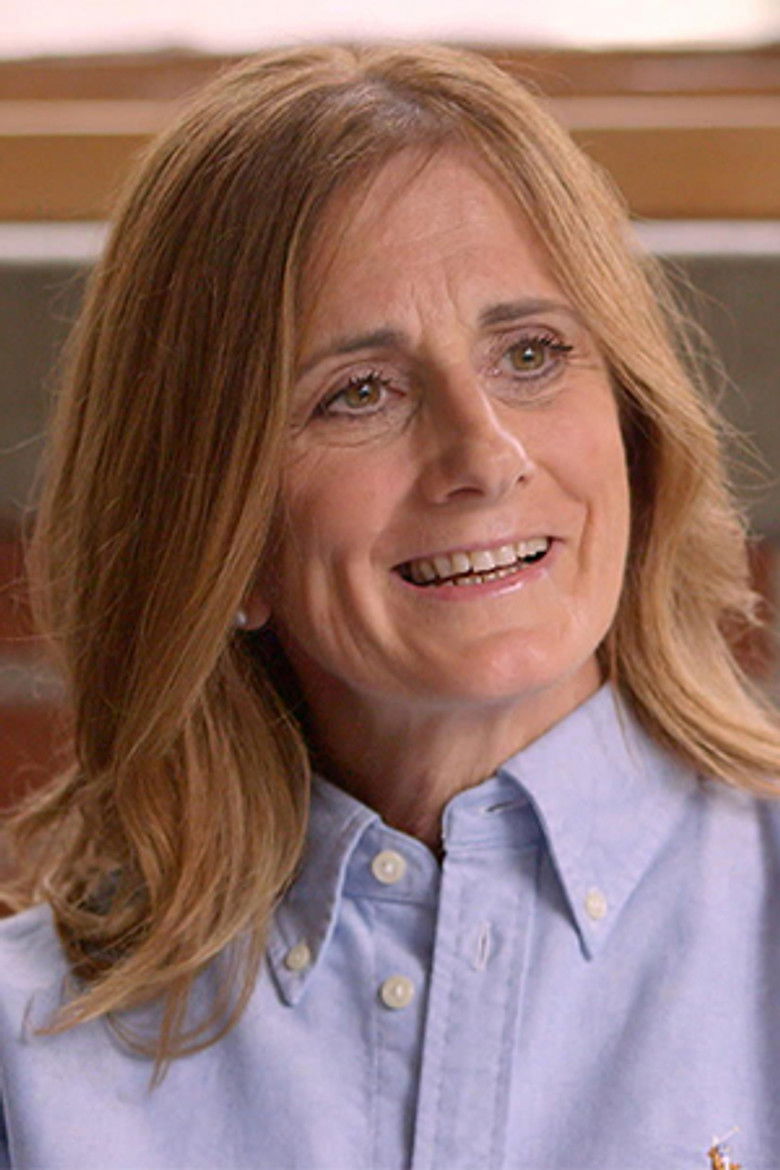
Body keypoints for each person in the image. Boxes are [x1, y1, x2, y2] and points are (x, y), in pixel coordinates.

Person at [0, 42, 778, 1170]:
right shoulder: (28, 1067)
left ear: (635, 430)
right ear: (218, 530)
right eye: (359, 392)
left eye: (531, 352)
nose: (485, 455)